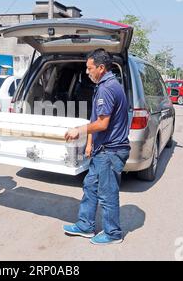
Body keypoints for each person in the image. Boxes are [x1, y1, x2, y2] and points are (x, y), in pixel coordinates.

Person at [63, 49, 131, 245]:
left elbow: (102, 124)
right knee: (90, 186)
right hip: (103, 149)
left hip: (111, 151)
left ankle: (113, 233)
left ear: (101, 68)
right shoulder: (106, 85)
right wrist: (91, 143)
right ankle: (85, 225)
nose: (87, 72)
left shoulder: (107, 88)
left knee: (107, 193)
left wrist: (79, 130)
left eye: (89, 68)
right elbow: (97, 119)